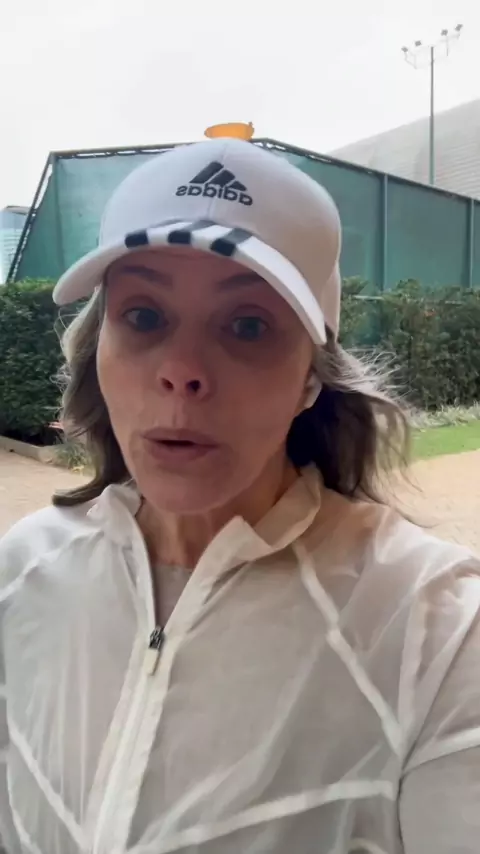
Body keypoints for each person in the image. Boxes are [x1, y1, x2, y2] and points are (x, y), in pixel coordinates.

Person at [0, 136, 479, 854]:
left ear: (311, 378)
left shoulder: (435, 632)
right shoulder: (22, 571)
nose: (182, 371)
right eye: (144, 316)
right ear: (97, 348)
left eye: (248, 326)